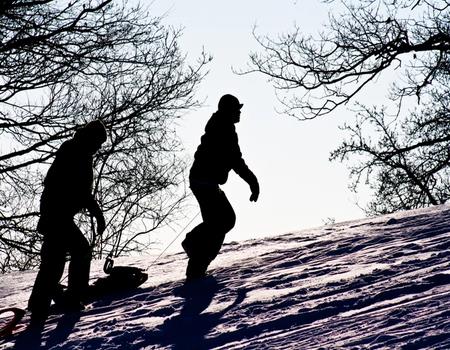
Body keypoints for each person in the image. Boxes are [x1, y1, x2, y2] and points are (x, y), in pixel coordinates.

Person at [28, 120, 107, 327]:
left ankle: (41, 305)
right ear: (91, 137)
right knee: (78, 252)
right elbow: (74, 188)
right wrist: (96, 214)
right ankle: (70, 299)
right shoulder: (74, 150)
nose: (99, 148)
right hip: (57, 213)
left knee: (54, 261)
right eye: (98, 143)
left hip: (58, 213)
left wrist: (95, 213)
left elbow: (82, 192)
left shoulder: (81, 151)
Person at [182, 94, 259, 281]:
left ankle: (195, 254)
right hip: (204, 181)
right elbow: (236, 161)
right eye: (237, 109)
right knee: (222, 221)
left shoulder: (222, 125)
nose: (239, 113)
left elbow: (233, 159)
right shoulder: (224, 129)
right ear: (228, 111)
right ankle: (195, 258)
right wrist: (253, 182)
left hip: (204, 181)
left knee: (220, 221)